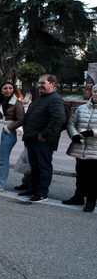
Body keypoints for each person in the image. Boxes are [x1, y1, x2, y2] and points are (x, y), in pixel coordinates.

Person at [18, 74, 66, 203]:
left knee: (44, 166)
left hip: (44, 140)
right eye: (39, 83)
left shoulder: (55, 99)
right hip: (33, 138)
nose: (39, 85)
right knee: (34, 165)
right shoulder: (40, 98)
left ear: (52, 84)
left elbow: (59, 119)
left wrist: (45, 134)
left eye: (43, 83)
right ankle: (33, 189)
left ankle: (42, 193)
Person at [63, 84, 97, 212]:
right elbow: (71, 123)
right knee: (80, 174)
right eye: (95, 91)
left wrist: (93, 132)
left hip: (95, 149)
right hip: (80, 146)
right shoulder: (82, 108)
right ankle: (78, 197)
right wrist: (74, 135)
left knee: (93, 177)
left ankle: (91, 201)